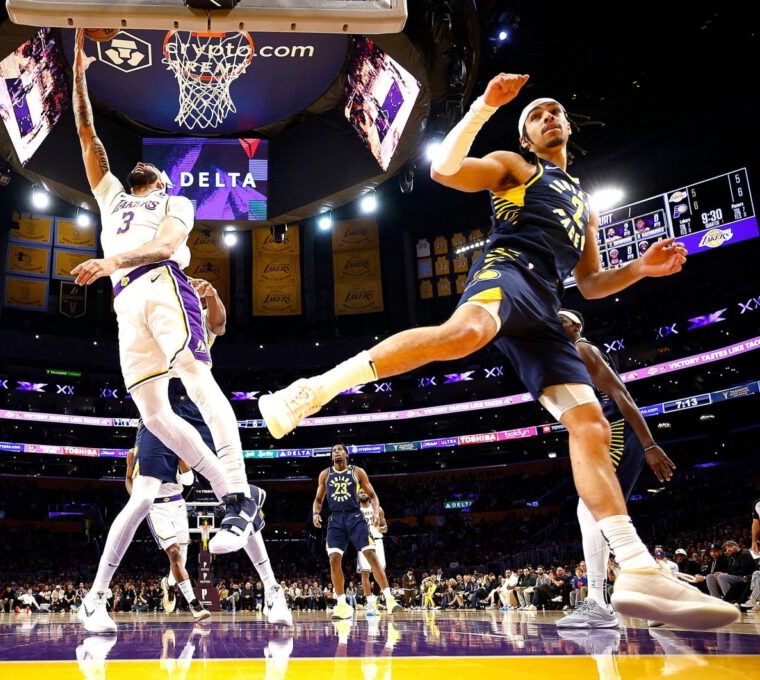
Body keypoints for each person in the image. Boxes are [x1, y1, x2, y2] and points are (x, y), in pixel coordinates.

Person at [260, 72, 737, 629]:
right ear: (528, 137)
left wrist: (641, 269)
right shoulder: (518, 166)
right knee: (462, 336)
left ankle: (635, 568)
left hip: (546, 304)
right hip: (507, 271)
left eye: (556, 110)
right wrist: (486, 105)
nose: (550, 117)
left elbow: (590, 284)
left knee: (592, 427)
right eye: (538, 115)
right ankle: (312, 390)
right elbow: (444, 169)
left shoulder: (584, 203)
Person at [69, 28, 263, 628]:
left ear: (162, 181)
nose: (138, 167)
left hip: (157, 282)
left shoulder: (174, 202)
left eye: (148, 170)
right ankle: (221, 481)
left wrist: (112, 261)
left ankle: (238, 493)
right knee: (153, 413)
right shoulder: (109, 196)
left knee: (196, 376)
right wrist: (78, 71)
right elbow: (88, 135)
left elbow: (168, 245)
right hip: (126, 304)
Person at [555, 307, 678, 628]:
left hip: (619, 431)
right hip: (600, 436)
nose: (554, 327)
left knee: (591, 509)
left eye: (560, 322)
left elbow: (622, 395)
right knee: (601, 518)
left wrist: (650, 445)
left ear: (575, 326)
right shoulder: (565, 356)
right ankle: (655, 599)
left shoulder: (583, 349)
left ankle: (598, 602)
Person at [124, 441, 210, 623]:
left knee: (182, 559)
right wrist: (136, 499)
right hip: (155, 506)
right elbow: (129, 479)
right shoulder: (133, 453)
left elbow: (188, 480)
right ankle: (194, 604)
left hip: (178, 504)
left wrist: (180, 456)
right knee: (174, 553)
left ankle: (169, 584)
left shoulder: (175, 446)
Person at [313, 445, 402, 620]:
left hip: (355, 517)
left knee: (370, 554)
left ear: (346, 454)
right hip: (336, 519)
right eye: (334, 451)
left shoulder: (357, 472)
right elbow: (318, 499)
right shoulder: (325, 474)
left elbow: (373, 496)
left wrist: (376, 512)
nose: (336, 452)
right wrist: (316, 513)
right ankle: (342, 604)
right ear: (331, 457)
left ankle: (390, 599)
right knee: (334, 559)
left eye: (340, 449)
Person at [356, 489, 389, 616]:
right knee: (365, 573)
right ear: (358, 496)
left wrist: (377, 528)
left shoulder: (378, 509)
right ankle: (370, 603)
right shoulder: (356, 511)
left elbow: (385, 528)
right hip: (363, 542)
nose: (363, 494)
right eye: (360, 492)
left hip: (378, 541)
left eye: (365, 492)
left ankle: (374, 600)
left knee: (380, 572)